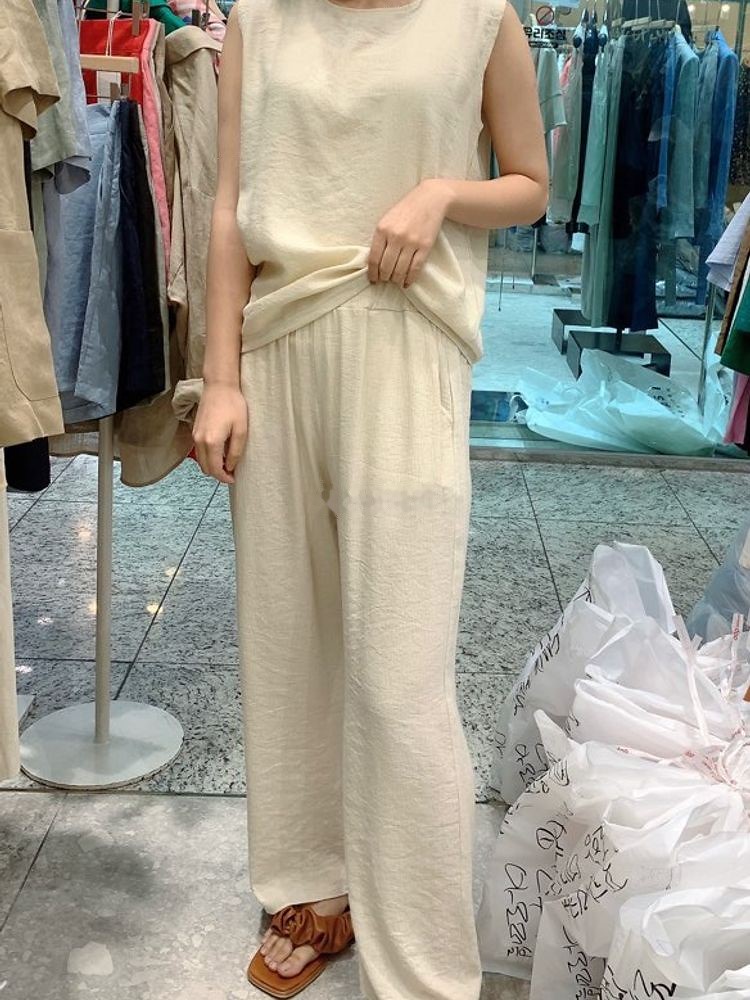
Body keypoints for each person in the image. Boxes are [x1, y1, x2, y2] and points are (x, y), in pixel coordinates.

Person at [191, 0, 547, 996]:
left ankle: (425, 964)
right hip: (277, 345)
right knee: (287, 644)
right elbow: (229, 204)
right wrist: (219, 376)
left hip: (407, 339)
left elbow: (530, 186)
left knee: (400, 677)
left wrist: (442, 193)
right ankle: (313, 884)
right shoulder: (260, 19)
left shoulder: (479, 17)